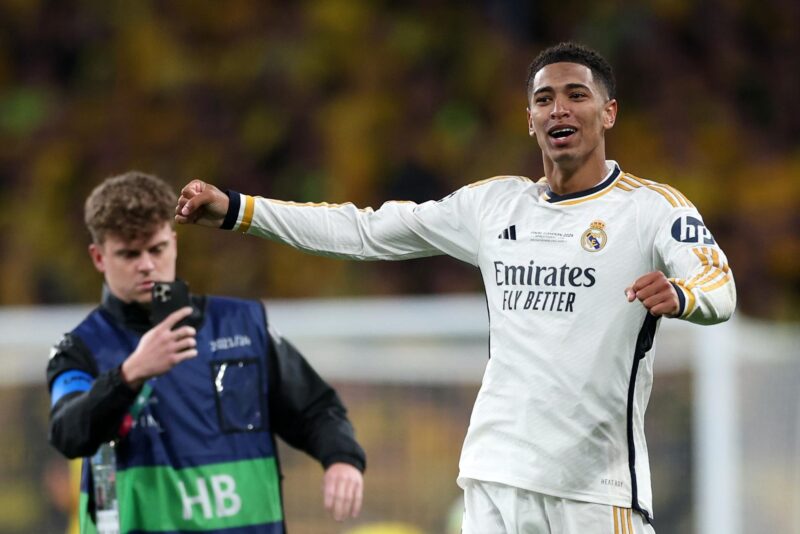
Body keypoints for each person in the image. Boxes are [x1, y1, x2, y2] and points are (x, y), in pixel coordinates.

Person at [175, 42, 736, 533]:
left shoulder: (650, 209)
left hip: (594, 488)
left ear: (608, 112)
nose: (558, 108)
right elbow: (364, 230)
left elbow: (720, 285)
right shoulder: (492, 206)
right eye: (544, 99)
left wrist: (683, 296)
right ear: (530, 119)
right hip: (495, 474)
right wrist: (238, 210)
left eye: (576, 95)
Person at [47, 171, 365, 533]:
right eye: (129, 254)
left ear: (174, 242)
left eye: (157, 249)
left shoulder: (242, 325)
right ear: (99, 257)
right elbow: (67, 432)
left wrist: (342, 458)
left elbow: (316, 408)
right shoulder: (79, 348)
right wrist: (128, 376)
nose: (147, 265)